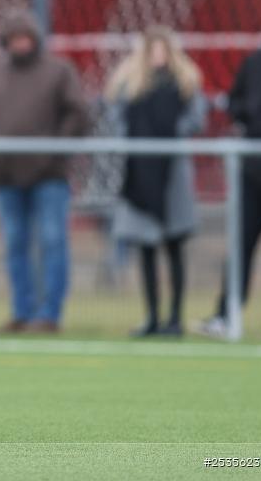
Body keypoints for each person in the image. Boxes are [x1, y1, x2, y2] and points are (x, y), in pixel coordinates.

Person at [0, 10, 89, 334]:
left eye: (25, 38)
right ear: (6, 43)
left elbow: (77, 115)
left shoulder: (59, 71)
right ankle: (22, 312)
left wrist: (55, 152)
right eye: (14, 39)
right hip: (8, 177)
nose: (20, 44)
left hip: (49, 177)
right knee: (15, 245)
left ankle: (49, 314)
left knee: (53, 242)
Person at [106, 26, 207, 337]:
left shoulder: (184, 84)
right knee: (146, 249)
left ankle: (175, 318)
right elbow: (115, 116)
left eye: (163, 50)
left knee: (174, 247)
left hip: (172, 177)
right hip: (140, 176)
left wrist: (172, 131)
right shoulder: (131, 86)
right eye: (153, 50)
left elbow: (196, 118)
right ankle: (152, 317)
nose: (158, 56)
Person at [196, 0, 261, 340]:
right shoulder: (254, 63)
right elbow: (236, 102)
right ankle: (227, 314)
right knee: (241, 241)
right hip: (254, 168)